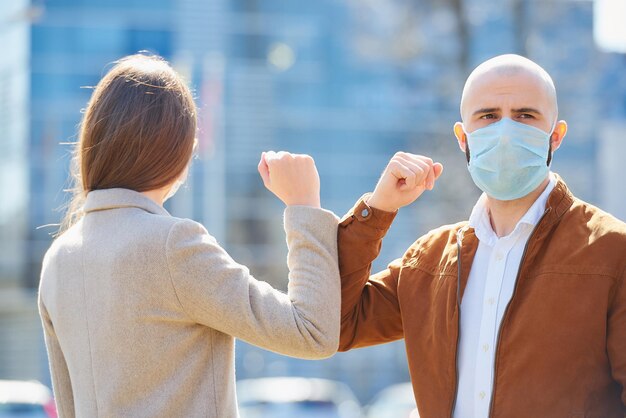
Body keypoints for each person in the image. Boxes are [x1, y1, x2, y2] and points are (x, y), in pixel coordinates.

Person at [38, 54, 340, 418]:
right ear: (176, 153)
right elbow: (312, 331)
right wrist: (304, 206)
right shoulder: (172, 244)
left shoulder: (58, 259)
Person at [337, 54, 626, 418]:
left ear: (555, 136)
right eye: (488, 116)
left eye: (525, 115)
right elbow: (339, 324)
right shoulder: (428, 261)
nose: (505, 130)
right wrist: (376, 210)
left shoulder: (613, 253)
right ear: (463, 137)